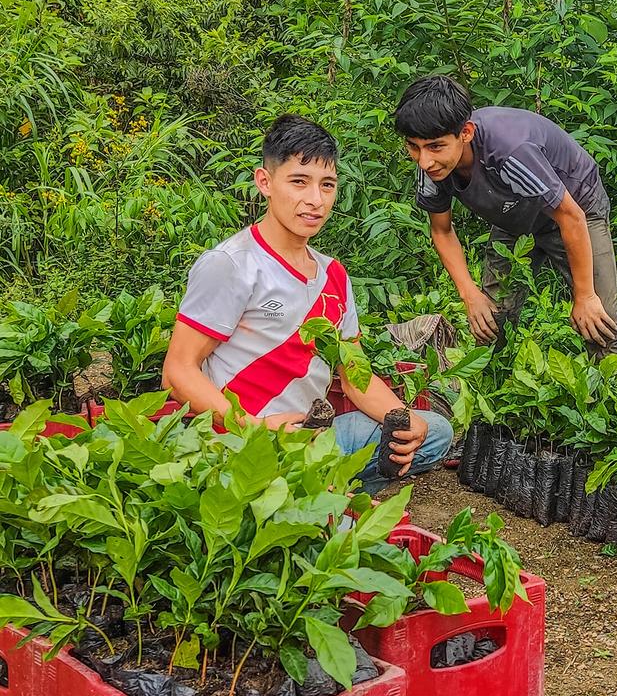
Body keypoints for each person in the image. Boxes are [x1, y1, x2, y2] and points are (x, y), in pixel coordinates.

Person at [162, 114, 452, 494]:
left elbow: (354, 378)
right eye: (299, 182)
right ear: (264, 182)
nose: (315, 201)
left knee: (434, 431)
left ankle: (325, 487)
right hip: (247, 441)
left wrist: (402, 421)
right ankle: (321, 493)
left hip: (315, 436)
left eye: (326, 185)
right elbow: (178, 372)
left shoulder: (334, 275)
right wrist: (250, 425)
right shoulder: (232, 264)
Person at [393, 75, 617, 377]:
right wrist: (470, 294)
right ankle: (494, 398)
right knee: (489, 320)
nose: (424, 161)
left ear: (465, 133)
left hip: (576, 209)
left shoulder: (509, 151)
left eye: (436, 147)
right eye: (413, 147)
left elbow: (569, 215)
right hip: (515, 215)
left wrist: (584, 296)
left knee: (600, 321)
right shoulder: (430, 167)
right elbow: (441, 230)